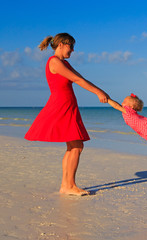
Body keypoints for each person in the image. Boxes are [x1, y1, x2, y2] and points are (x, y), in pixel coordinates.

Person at [25, 33, 109, 196]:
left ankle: (66, 185)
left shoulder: (65, 63)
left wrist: (101, 91)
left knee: (73, 146)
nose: (73, 50)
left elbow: (81, 78)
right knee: (77, 146)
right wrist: (98, 93)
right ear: (62, 44)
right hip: (61, 106)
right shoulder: (54, 62)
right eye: (71, 46)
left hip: (69, 106)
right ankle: (69, 185)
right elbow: (77, 81)